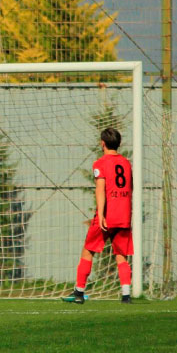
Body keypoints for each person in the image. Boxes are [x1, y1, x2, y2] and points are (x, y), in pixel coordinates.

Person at [64, 128, 134, 304]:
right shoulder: (126, 163)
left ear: (102, 143)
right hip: (124, 214)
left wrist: (101, 214)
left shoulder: (100, 163)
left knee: (88, 250)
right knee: (121, 254)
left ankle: (79, 292)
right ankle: (126, 295)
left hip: (108, 214)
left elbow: (101, 189)